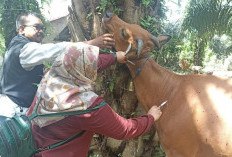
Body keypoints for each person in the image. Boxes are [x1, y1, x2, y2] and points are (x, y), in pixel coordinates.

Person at [27, 42, 162, 157]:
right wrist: (150, 117)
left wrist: (115, 57)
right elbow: (124, 130)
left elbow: (82, 65)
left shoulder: (51, 76)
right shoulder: (86, 107)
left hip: (31, 149)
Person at [0, 12, 116, 117]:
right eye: (36, 27)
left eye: (42, 28)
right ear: (21, 29)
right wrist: (91, 43)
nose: (41, 31)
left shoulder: (17, 45)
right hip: (13, 113)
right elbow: (54, 50)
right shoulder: (25, 49)